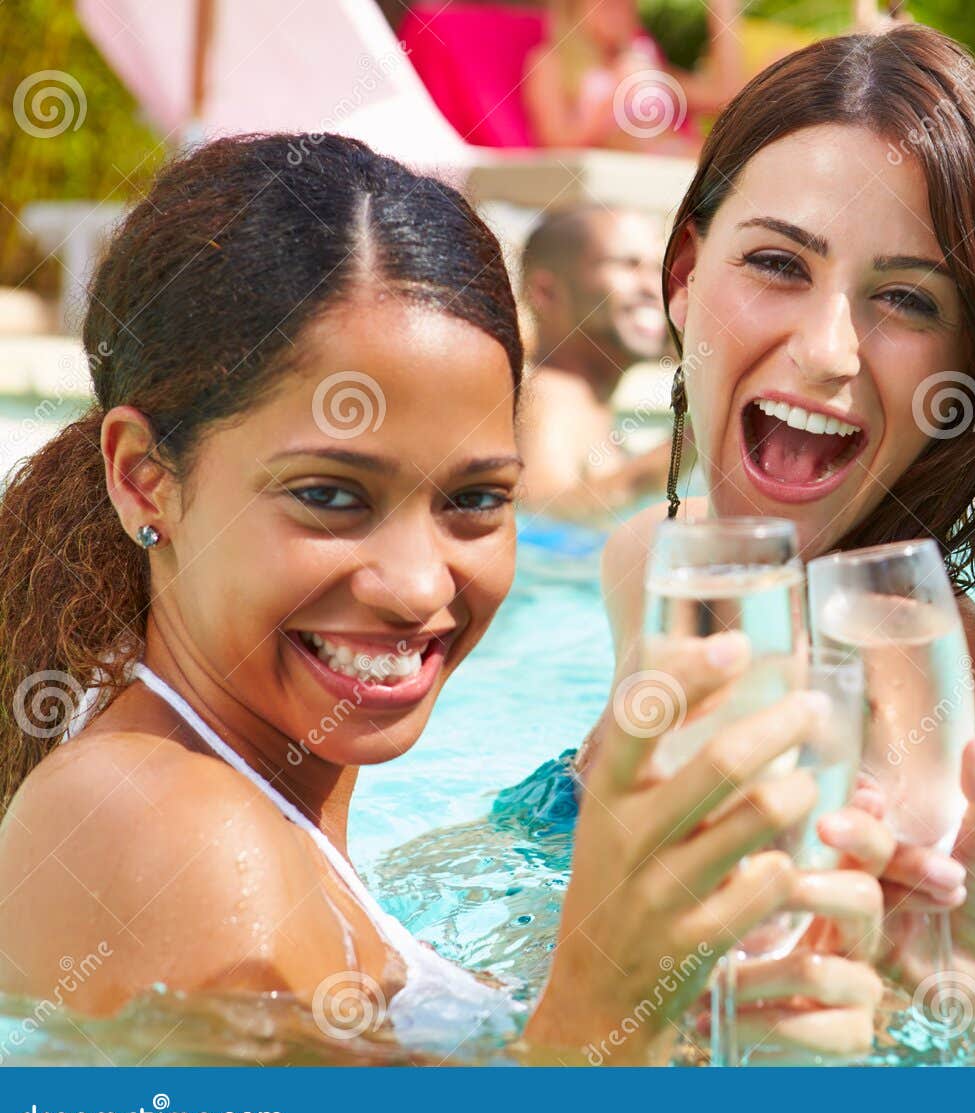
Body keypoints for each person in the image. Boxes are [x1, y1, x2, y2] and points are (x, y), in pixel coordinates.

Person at [0, 133, 894, 1065]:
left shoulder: (248, 791)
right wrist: (599, 1012)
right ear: (145, 479)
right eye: (330, 495)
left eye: (475, 499)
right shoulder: (165, 831)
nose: (420, 585)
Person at [591, 24, 975, 1022]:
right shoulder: (648, 559)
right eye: (777, 262)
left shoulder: (911, 680)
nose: (827, 349)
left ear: (964, 373)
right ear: (684, 275)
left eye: (902, 297)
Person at [516, 204, 674, 524]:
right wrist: (691, 442)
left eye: (658, 269)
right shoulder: (548, 396)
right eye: (628, 266)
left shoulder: (587, 398)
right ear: (545, 292)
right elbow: (546, 517)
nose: (653, 289)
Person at [522, 0, 741, 156]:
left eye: (627, 5)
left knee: (729, 155)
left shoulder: (642, 59)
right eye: (608, 4)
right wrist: (613, 98)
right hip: (615, 172)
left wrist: (722, 13)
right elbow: (556, 146)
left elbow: (723, 97)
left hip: (670, 158)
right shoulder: (551, 62)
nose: (621, 11)